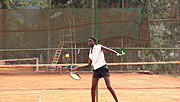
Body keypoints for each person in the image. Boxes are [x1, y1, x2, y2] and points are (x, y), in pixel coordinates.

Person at [75, 36, 125, 102]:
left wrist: (116, 53)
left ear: (94, 42)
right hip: (96, 70)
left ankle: (117, 101)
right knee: (93, 88)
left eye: (90, 41)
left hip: (103, 68)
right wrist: (78, 67)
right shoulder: (90, 52)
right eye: (88, 41)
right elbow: (89, 65)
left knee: (108, 86)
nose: (89, 42)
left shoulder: (99, 47)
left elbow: (108, 49)